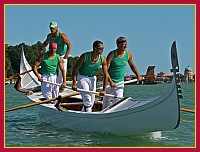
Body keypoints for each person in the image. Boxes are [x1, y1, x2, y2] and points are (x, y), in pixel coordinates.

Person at [103, 36, 143, 109]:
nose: (125, 46)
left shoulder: (128, 54)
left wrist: (138, 75)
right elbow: (105, 70)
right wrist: (111, 81)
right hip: (108, 82)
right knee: (106, 102)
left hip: (120, 82)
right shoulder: (112, 54)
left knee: (118, 102)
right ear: (118, 45)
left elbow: (132, 65)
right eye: (123, 44)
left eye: (126, 44)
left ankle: (115, 114)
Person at [72, 40, 108, 112]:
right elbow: (75, 69)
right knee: (87, 100)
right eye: (101, 48)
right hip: (82, 77)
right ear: (95, 49)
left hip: (93, 78)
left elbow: (105, 75)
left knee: (91, 102)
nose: (103, 50)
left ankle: (82, 114)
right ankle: (89, 116)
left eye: (103, 48)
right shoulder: (84, 56)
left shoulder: (103, 58)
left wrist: (104, 90)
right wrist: (74, 83)